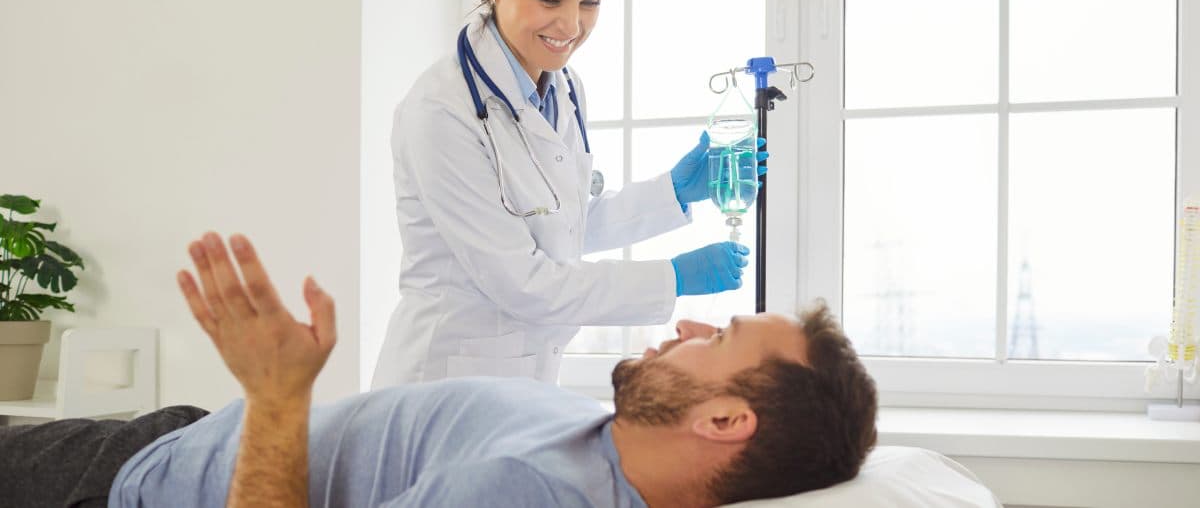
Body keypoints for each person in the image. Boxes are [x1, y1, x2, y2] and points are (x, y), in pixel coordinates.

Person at [0, 233, 877, 507]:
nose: (685, 324)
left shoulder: (525, 494)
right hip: (189, 440)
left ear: (724, 421)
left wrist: (276, 396)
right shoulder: (605, 456)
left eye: (716, 336)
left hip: (136, 482)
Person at [372, 0, 769, 387]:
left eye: (591, 2)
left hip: (525, 386)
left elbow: (560, 227)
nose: (571, 25)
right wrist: (672, 277)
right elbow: (524, 282)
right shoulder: (441, 111)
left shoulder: (563, 87)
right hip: (441, 388)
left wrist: (673, 190)